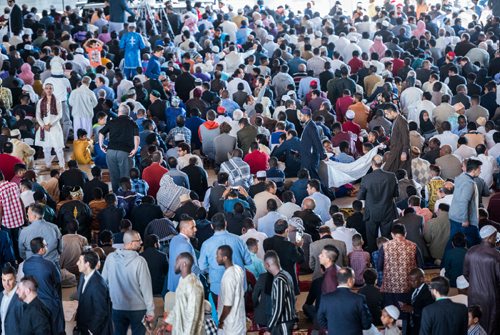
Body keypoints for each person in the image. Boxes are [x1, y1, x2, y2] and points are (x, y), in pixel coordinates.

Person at [102, 230, 155, 335]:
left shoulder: (111, 258)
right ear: (131, 243)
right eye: (138, 240)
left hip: (117, 306)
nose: (141, 242)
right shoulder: (140, 261)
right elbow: (146, 288)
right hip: (138, 309)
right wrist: (150, 310)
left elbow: (103, 282)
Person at [198, 213, 252, 300]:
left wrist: (213, 269)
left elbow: (202, 267)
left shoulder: (206, 244)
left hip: (218, 288)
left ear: (212, 226)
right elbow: (248, 261)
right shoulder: (238, 240)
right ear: (226, 223)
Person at [22, 237, 65, 335]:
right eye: (45, 245)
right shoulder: (49, 264)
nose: (47, 247)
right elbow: (58, 280)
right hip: (49, 301)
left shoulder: (26, 264)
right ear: (41, 250)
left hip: (34, 300)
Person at [463, 225, 500, 335]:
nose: (496, 239)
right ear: (489, 238)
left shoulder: (470, 251)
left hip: (473, 293)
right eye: (494, 237)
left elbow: (465, 274)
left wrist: (475, 283)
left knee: (474, 320)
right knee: (491, 323)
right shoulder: (496, 255)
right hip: (491, 295)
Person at [358, 155, 399, 251]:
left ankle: (373, 258)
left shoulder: (366, 178)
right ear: (382, 164)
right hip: (387, 211)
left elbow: (360, 196)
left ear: (372, 164)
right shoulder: (391, 176)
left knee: (371, 238)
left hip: (371, 212)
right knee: (387, 237)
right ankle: (388, 256)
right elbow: (396, 194)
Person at [378, 224, 423, 307]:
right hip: (409, 287)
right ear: (405, 233)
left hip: (389, 288)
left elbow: (379, 267)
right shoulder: (413, 246)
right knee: (406, 312)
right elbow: (421, 267)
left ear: (392, 234)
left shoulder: (384, 247)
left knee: (391, 312)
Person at [317, 267, 372, 334]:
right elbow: (367, 324)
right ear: (350, 280)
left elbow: (320, 319)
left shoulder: (325, 298)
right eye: (353, 278)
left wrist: (331, 328)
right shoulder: (359, 299)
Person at [99, 103, 140, 192]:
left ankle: (116, 197)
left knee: (114, 177)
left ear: (119, 112)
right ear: (128, 113)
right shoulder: (132, 123)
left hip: (110, 152)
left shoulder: (112, 121)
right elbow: (136, 137)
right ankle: (126, 198)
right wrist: (135, 149)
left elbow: (101, 133)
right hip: (125, 153)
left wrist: (101, 145)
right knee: (125, 177)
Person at [164, 252, 205, 334]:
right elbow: (178, 306)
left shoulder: (193, 284)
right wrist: (165, 324)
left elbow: (193, 316)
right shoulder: (182, 280)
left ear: (184, 264)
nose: (174, 265)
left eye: (176, 262)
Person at [75, 250, 113, 335]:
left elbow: (101, 312)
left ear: (87, 264)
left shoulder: (98, 284)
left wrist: (91, 330)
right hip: (84, 325)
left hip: (95, 330)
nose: (77, 263)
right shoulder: (82, 276)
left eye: (80, 261)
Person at [263, 219, 304, 295]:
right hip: (287, 278)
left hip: (272, 277)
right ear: (286, 230)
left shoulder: (266, 242)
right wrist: (299, 247)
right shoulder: (290, 246)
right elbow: (300, 260)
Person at [448, 159, 483, 249]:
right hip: (464, 219)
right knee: (475, 243)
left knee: (452, 242)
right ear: (473, 170)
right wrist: (465, 219)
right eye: (479, 169)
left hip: (454, 215)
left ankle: (447, 261)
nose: (481, 171)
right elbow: (464, 201)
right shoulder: (469, 183)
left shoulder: (461, 177)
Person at [264, 250, 296, 334]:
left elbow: (278, 307)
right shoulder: (286, 274)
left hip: (283, 322)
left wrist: (269, 328)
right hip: (288, 319)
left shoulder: (279, 280)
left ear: (267, 265)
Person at [216, 245, 246, 334]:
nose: (216, 257)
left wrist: (221, 321)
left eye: (218, 255)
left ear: (224, 258)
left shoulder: (228, 277)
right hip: (239, 321)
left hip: (231, 325)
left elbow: (228, 305)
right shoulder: (238, 269)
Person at [35, 83, 65, 169]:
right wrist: (43, 125)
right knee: (46, 148)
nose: (48, 90)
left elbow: (60, 115)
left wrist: (50, 124)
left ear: (53, 89)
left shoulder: (57, 100)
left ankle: (62, 165)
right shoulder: (40, 102)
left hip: (54, 126)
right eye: (47, 88)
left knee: (58, 148)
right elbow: (38, 115)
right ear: (44, 90)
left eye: (50, 88)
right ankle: (48, 165)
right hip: (44, 127)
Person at [399, 268, 434, 335]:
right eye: (409, 280)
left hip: (421, 326)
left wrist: (413, 310)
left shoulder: (428, 292)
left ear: (421, 279)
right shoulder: (413, 289)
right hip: (412, 325)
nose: (410, 283)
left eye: (413, 281)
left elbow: (428, 313)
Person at [298, 107, 326, 180]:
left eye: (301, 115)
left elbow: (317, 141)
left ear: (306, 115)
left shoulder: (311, 126)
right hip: (307, 156)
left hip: (310, 157)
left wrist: (323, 155)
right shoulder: (308, 125)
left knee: (314, 179)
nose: (300, 117)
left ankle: (324, 191)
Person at [0, 263, 23, 335]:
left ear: (15, 278)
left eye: (9, 280)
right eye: (4, 280)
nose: (6, 284)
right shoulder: (1, 295)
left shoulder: (21, 297)